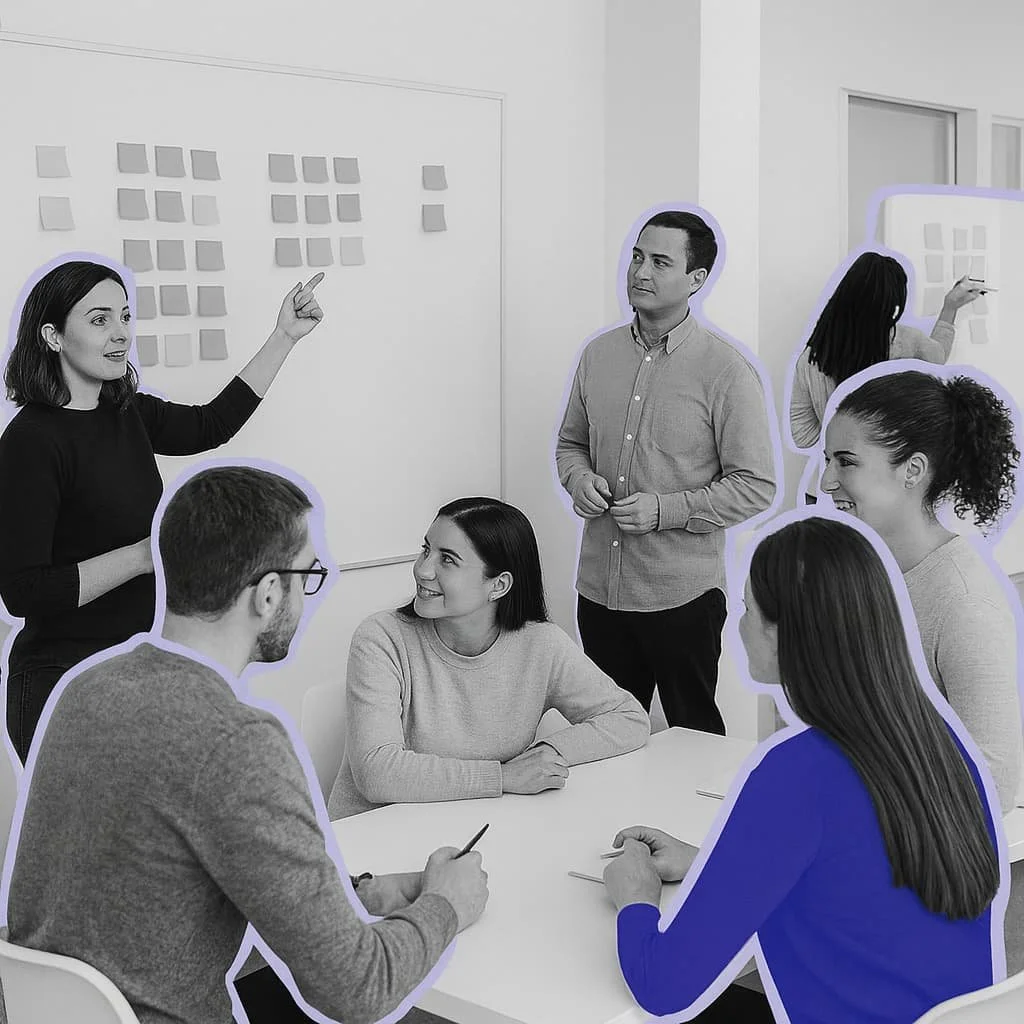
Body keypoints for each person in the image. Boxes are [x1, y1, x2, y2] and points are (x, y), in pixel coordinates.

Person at [4, 465, 490, 1024]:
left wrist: (360, 897)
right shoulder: (236, 742)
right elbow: (358, 990)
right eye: (306, 576)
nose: (306, 597)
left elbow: (157, 884)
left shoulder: (87, 688)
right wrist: (446, 906)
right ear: (266, 595)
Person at [602, 515, 1004, 1024]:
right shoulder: (938, 745)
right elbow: (860, 874)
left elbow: (662, 987)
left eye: (748, 608)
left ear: (786, 633)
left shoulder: (796, 772)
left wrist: (634, 898)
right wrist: (710, 861)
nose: (737, 624)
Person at [0, 258, 326, 764]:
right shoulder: (30, 442)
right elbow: (24, 591)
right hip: (60, 682)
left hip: (131, 668)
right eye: (99, 319)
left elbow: (211, 424)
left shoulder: (126, 412)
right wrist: (145, 554)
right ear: (52, 335)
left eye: (126, 317)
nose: (121, 334)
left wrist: (284, 336)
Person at [555, 209, 777, 736]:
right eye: (637, 256)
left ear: (696, 280)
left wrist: (665, 511)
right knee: (608, 734)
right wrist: (578, 479)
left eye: (659, 262)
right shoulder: (598, 355)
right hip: (599, 591)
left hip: (682, 598)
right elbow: (570, 446)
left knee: (692, 736)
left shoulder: (726, 370)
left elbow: (756, 485)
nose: (640, 273)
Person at [327, 496, 650, 820]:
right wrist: (504, 777)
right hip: (371, 840)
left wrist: (547, 754)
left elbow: (628, 719)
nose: (423, 570)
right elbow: (377, 773)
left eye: (447, 560)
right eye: (426, 550)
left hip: (473, 828)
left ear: (498, 585)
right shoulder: (381, 638)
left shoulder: (541, 644)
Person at [820, 369, 1022, 813]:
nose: (826, 481)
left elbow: (992, 782)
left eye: (846, 461)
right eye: (827, 460)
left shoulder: (964, 602)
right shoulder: (859, 572)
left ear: (912, 470)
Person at [788, 251, 983, 451]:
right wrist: (950, 307)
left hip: (839, 474)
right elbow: (938, 355)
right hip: (892, 474)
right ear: (893, 305)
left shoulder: (811, 359)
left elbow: (802, 435)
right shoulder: (905, 341)